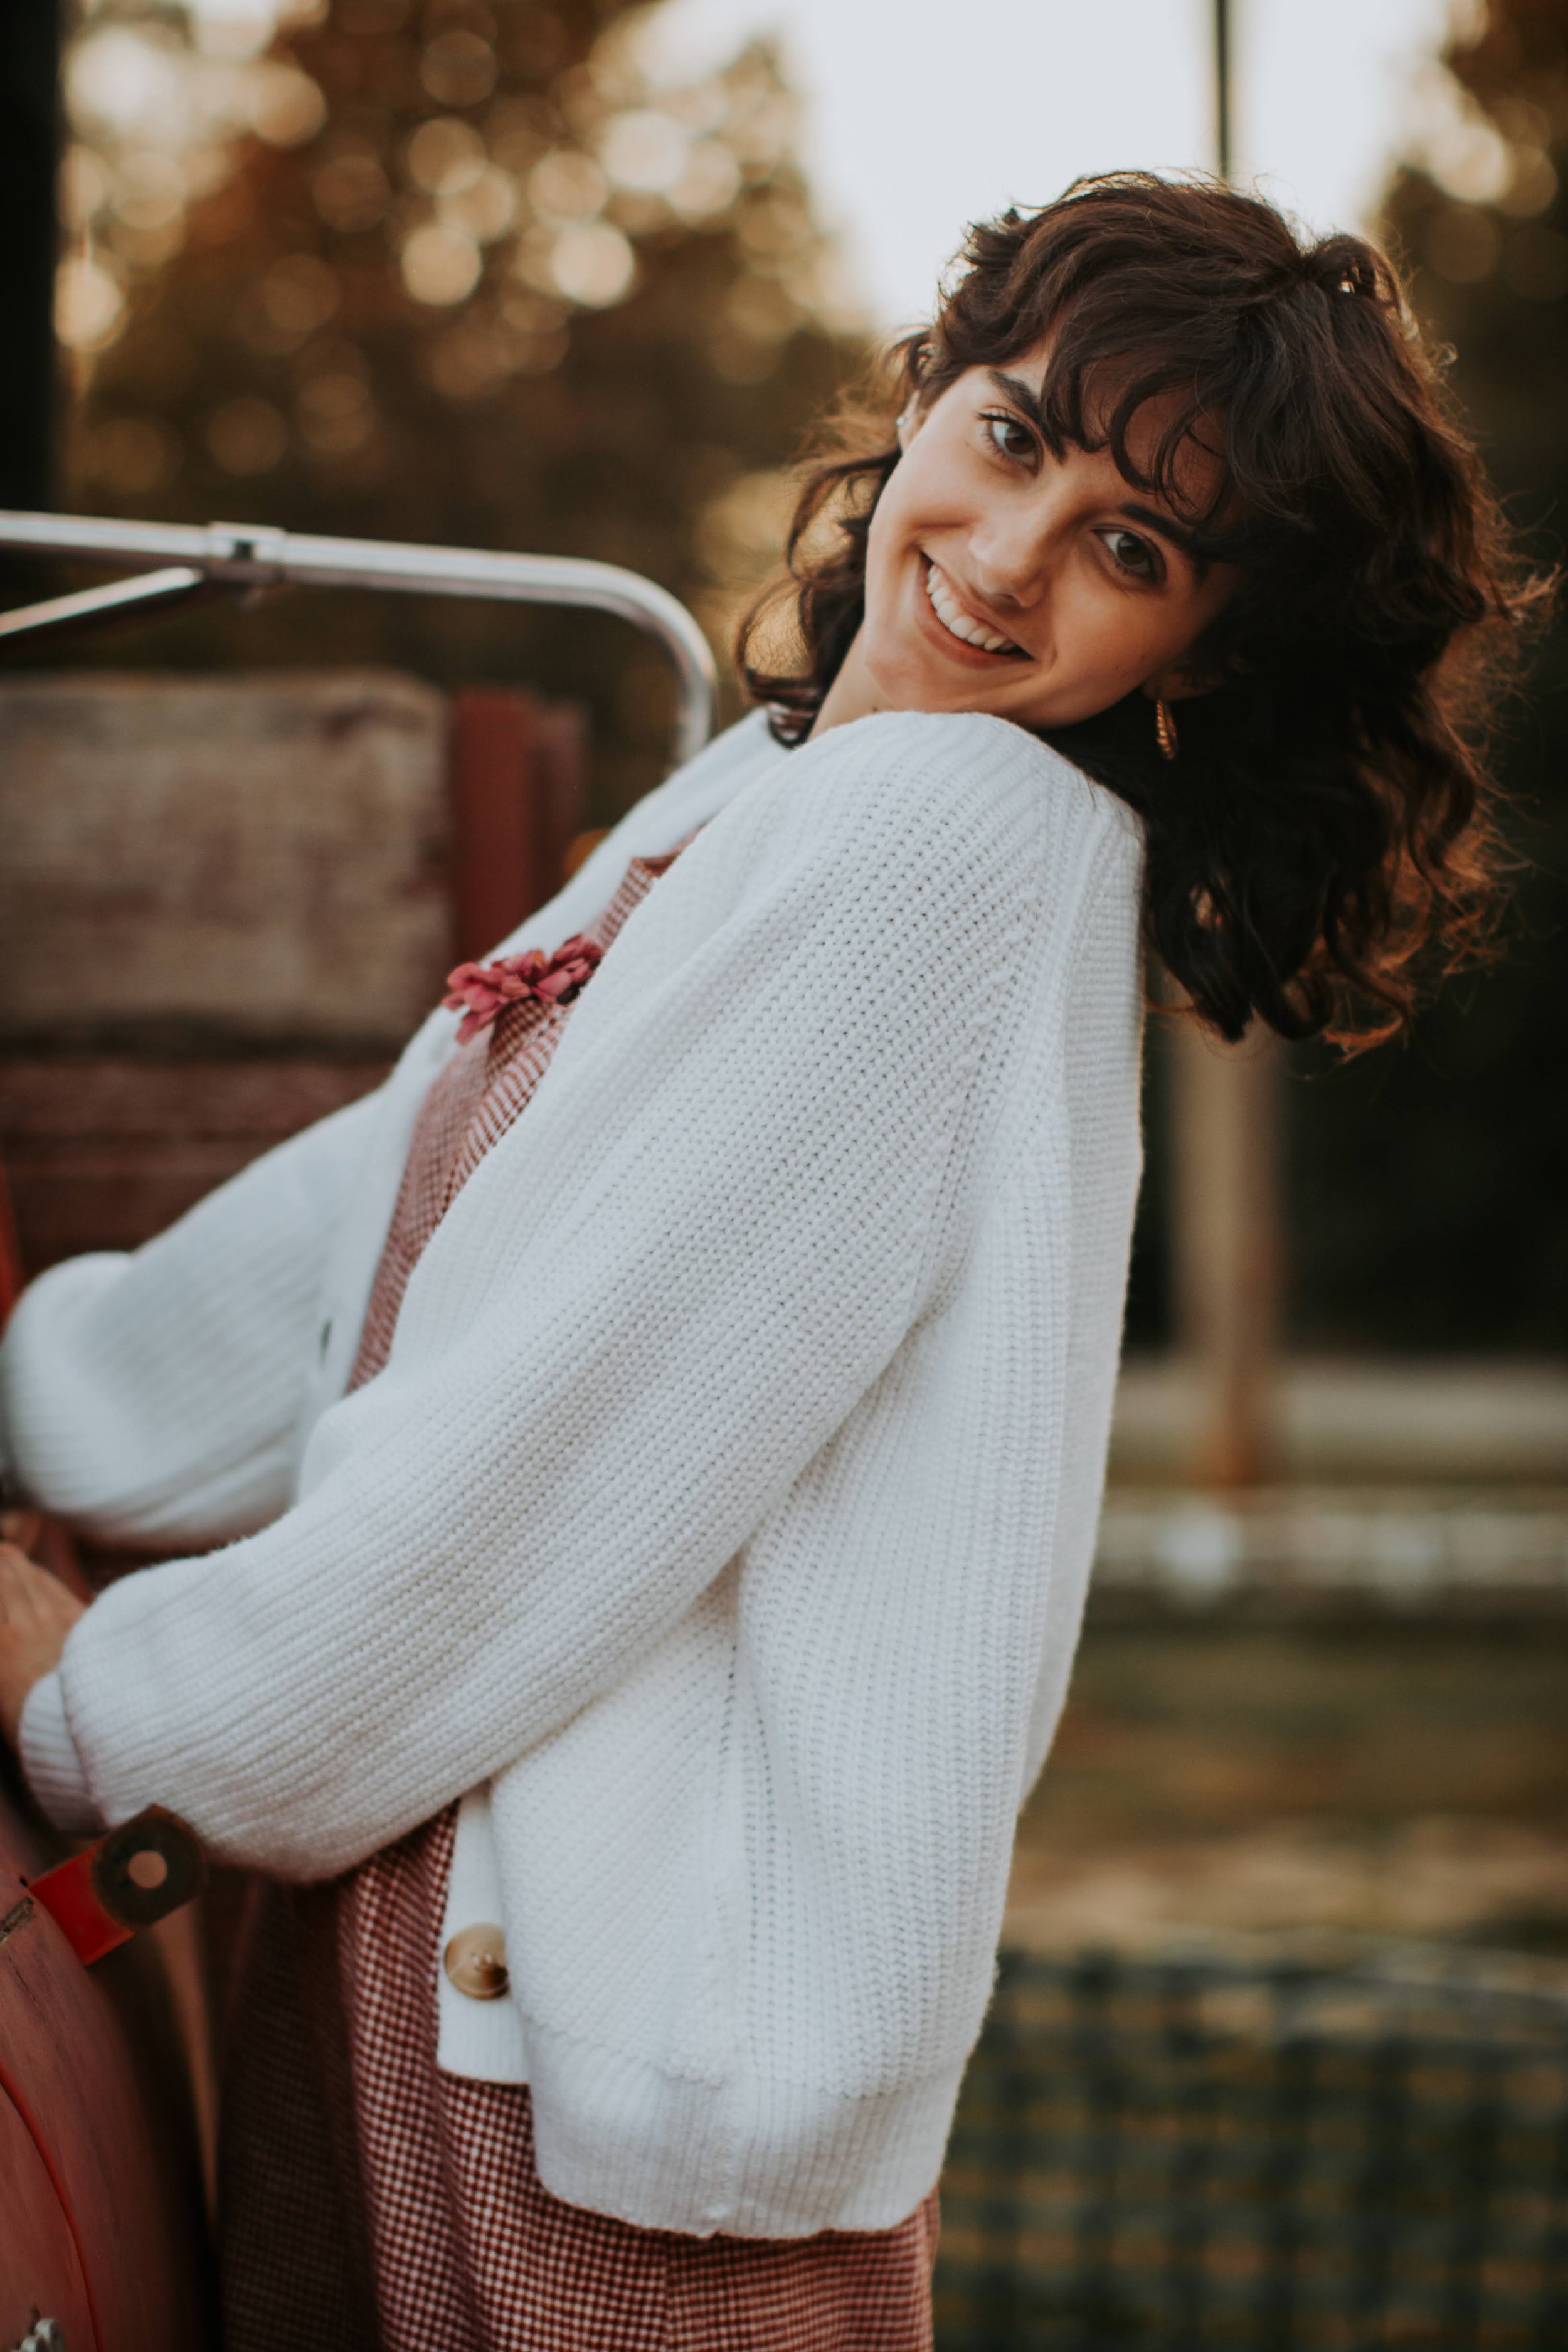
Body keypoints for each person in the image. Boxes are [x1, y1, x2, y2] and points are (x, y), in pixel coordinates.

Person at [0, 173, 1537, 2351]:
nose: (1007, 563)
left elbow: (545, 1455)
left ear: (1203, 644)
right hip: (458, 1982)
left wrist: (97, 1715)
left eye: (1132, 550)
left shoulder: (949, 846)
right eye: (1012, 438)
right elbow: (380, 1219)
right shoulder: (772, 796)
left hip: (570, 2095)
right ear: (928, 401)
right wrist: (47, 1394)